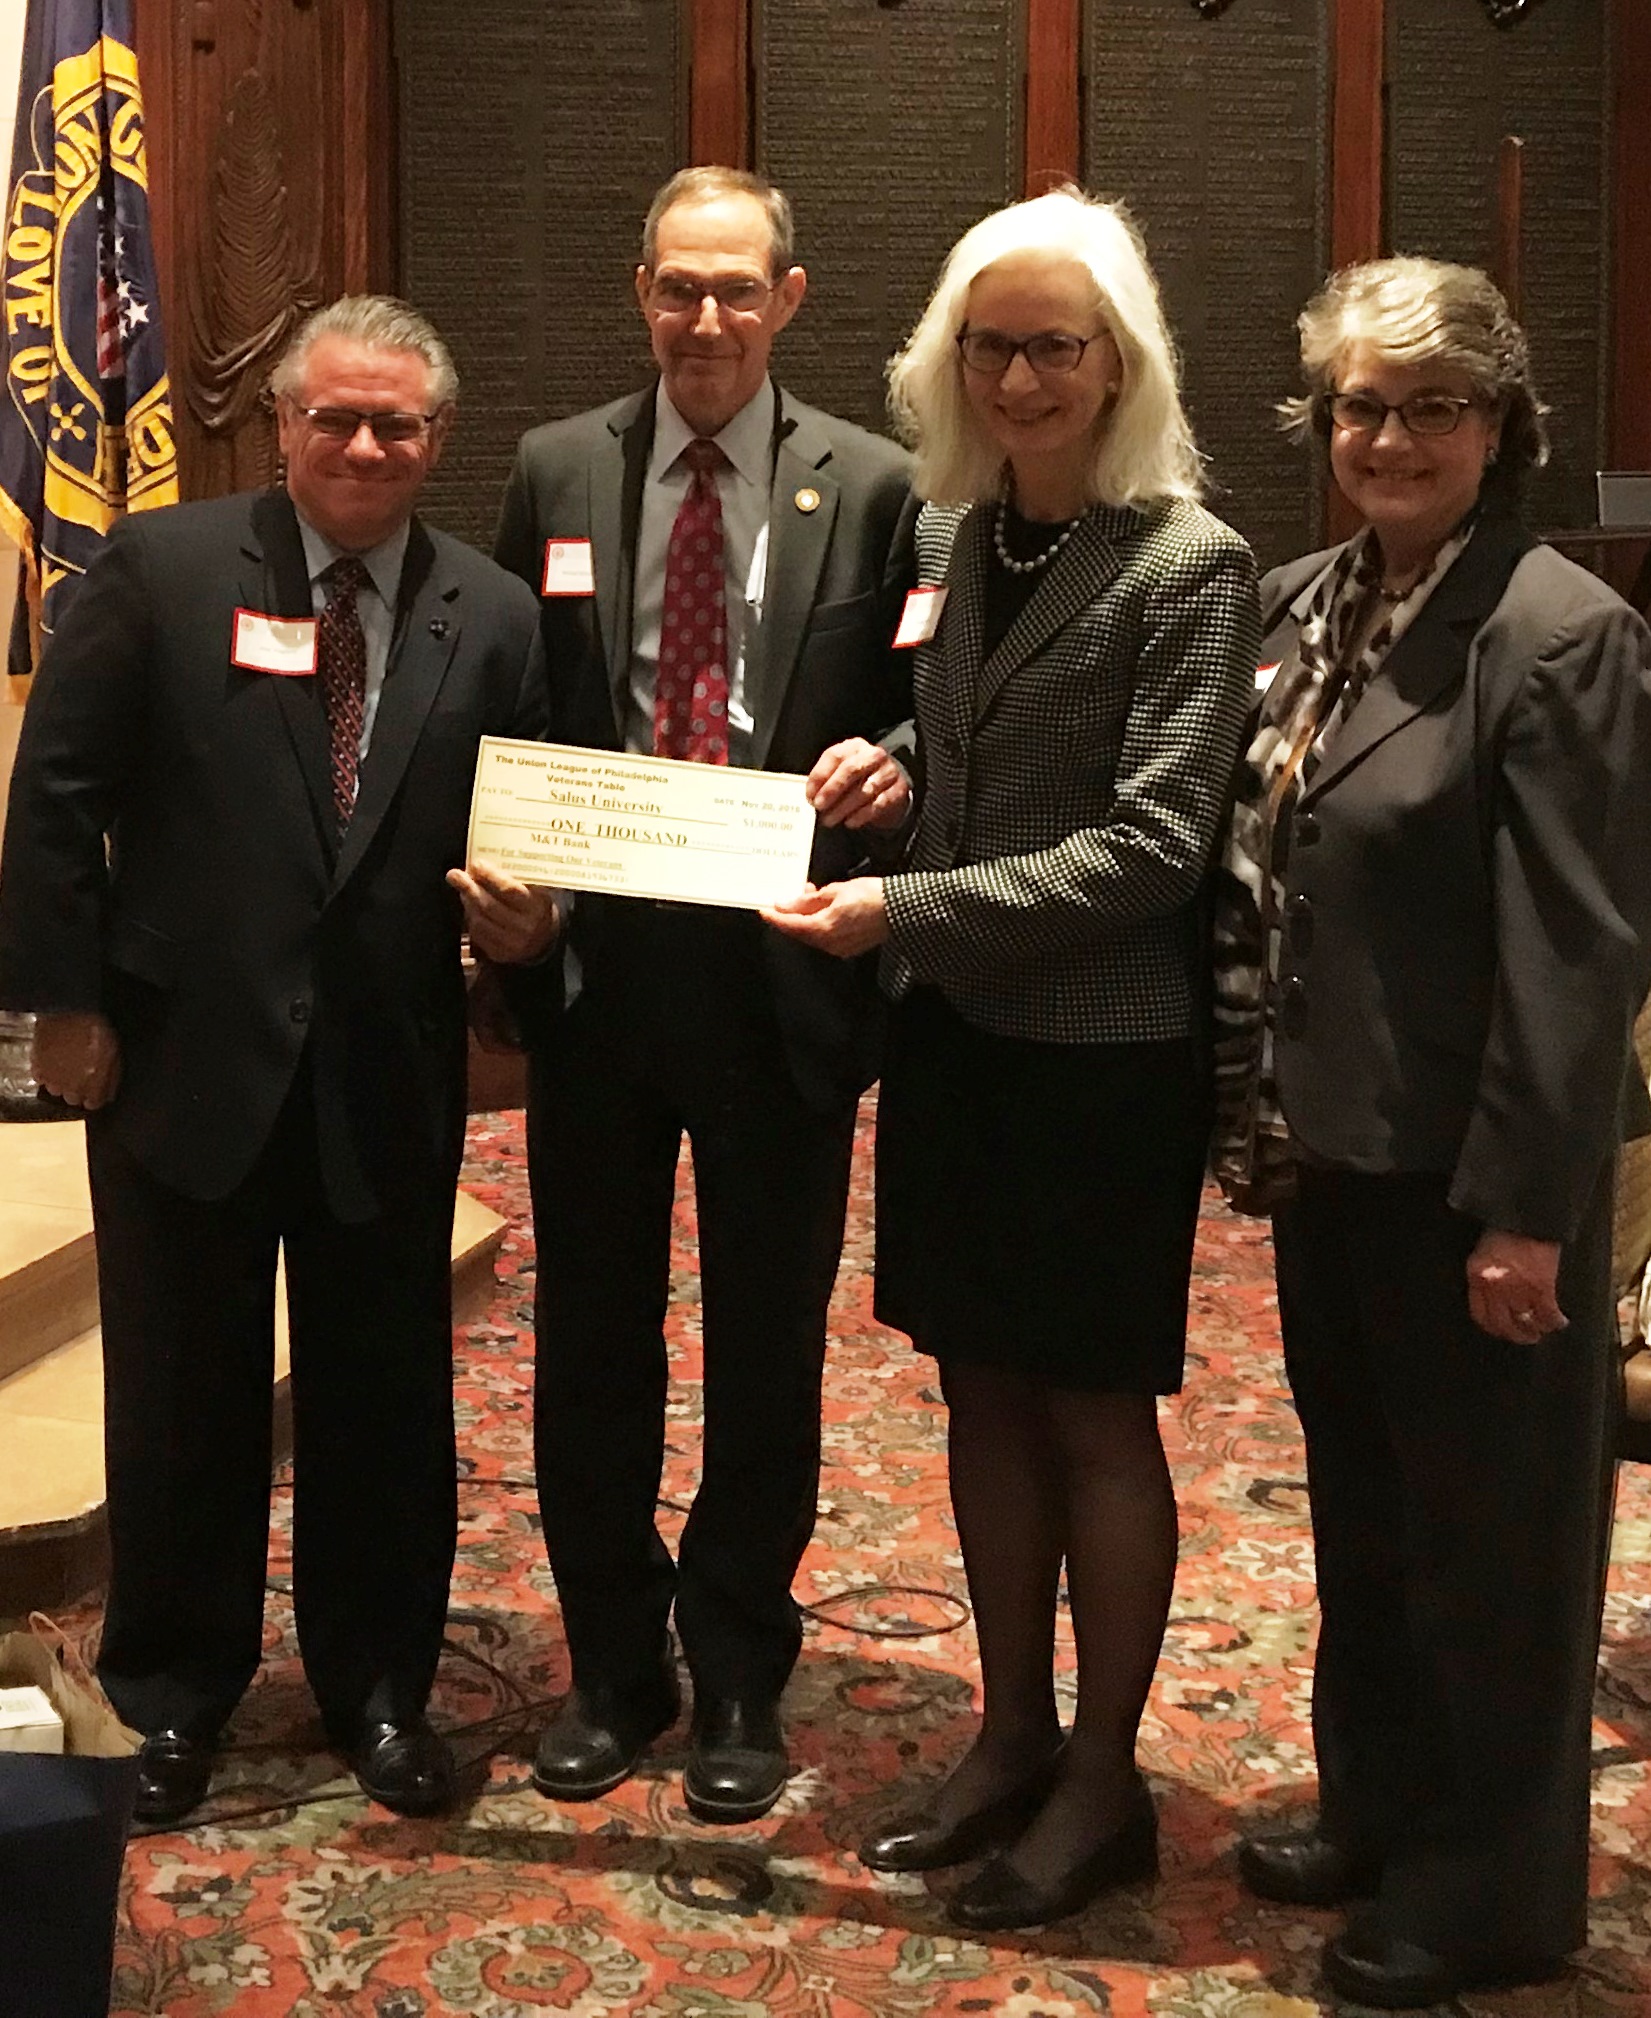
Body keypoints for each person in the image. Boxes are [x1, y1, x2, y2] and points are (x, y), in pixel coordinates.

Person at [765, 188, 1258, 1926]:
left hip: (1101, 1059)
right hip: (967, 1044)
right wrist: (892, 760)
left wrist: (901, 903)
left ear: (1119, 360)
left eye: (1059, 345)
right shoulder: (965, 536)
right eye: (994, 344)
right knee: (977, 1388)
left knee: (1096, 1416)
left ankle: (1106, 1779)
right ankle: (1011, 1732)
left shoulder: (1189, 562)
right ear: (948, 361)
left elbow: (1149, 848)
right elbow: (980, 728)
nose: (1025, 376)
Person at [0, 296, 554, 1825]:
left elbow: (526, 826)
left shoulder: (494, 612)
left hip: (388, 1067)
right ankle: (174, 1689)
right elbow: (56, 797)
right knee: (184, 1392)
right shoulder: (164, 570)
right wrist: (61, 1005)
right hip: (180, 1061)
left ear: (437, 440)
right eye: (337, 417)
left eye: (398, 424)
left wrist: (532, 927)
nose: (365, 445)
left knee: (386, 1397)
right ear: (282, 426)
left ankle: (378, 1687)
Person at [1214, 258, 1651, 2007]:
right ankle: (1384, 1804)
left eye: (1432, 407)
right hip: (1333, 1156)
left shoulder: (1561, 635)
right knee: (1372, 1510)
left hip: (1479, 1182)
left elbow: (1580, 950)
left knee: (1501, 1543)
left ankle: (1494, 1886)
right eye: (1360, 406)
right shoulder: (1307, 598)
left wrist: (1531, 1217)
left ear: (1501, 425)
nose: (1389, 438)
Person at [491, 167, 916, 1823]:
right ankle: (614, 1658)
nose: (708, 320)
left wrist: (900, 766)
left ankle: (738, 1656)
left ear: (791, 298)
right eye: (680, 287)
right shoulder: (556, 469)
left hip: (779, 980)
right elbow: (518, 691)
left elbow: (918, 702)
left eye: (739, 290)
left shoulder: (874, 486)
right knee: (589, 1336)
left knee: (763, 1346)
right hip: (600, 982)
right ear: (640, 291)